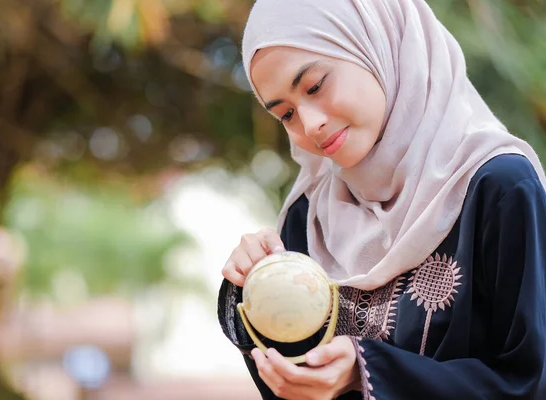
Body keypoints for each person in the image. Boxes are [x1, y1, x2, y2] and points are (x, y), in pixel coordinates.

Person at [216, 0, 546, 398]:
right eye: (286, 114)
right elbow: (292, 382)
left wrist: (366, 370)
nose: (310, 123)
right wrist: (254, 282)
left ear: (377, 45)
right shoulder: (309, 216)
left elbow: (531, 379)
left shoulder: (498, 186)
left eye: (316, 85)